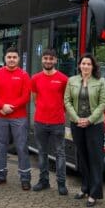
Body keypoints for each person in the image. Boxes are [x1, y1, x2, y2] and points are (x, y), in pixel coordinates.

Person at [64, 53, 105, 207]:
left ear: (93, 66)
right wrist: (76, 119)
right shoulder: (72, 80)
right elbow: (67, 101)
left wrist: (89, 120)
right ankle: (85, 187)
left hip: (95, 125)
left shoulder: (100, 82)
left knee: (95, 159)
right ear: (79, 66)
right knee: (82, 157)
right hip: (77, 124)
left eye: (89, 64)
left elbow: (103, 103)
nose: (86, 66)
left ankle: (94, 193)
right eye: (83, 64)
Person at [0, 47, 32, 190]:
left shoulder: (24, 75)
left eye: (14, 57)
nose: (12, 59)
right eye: (9, 57)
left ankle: (25, 177)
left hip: (19, 117)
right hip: (0, 116)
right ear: (5, 58)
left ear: (18, 59)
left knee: (21, 146)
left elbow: (26, 96)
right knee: (0, 146)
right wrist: (2, 105)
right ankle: (0, 175)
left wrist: (10, 107)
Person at [31, 49, 69, 195]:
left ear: (55, 60)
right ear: (42, 60)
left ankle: (61, 183)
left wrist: (58, 111)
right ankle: (44, 181)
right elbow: (35, 98)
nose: (48, 61)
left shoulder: (64, 79)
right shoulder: (35, 78)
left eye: (51, 59)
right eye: (45, 58)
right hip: (40, 121)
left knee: (60, 153)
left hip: (58, 122)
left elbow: (66, 100)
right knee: (42, 152)